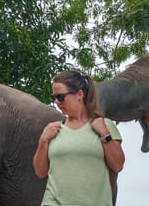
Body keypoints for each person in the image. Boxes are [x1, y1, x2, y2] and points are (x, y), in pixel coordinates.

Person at [33, 70, 125, 206]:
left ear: (79, 94)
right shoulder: (53, 130)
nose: (57, 102)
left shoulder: (105, 126)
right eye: (54, 98)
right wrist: (43, 141)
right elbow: (40, 172)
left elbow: (118, 165)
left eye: (61, 97)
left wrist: (104, 133)